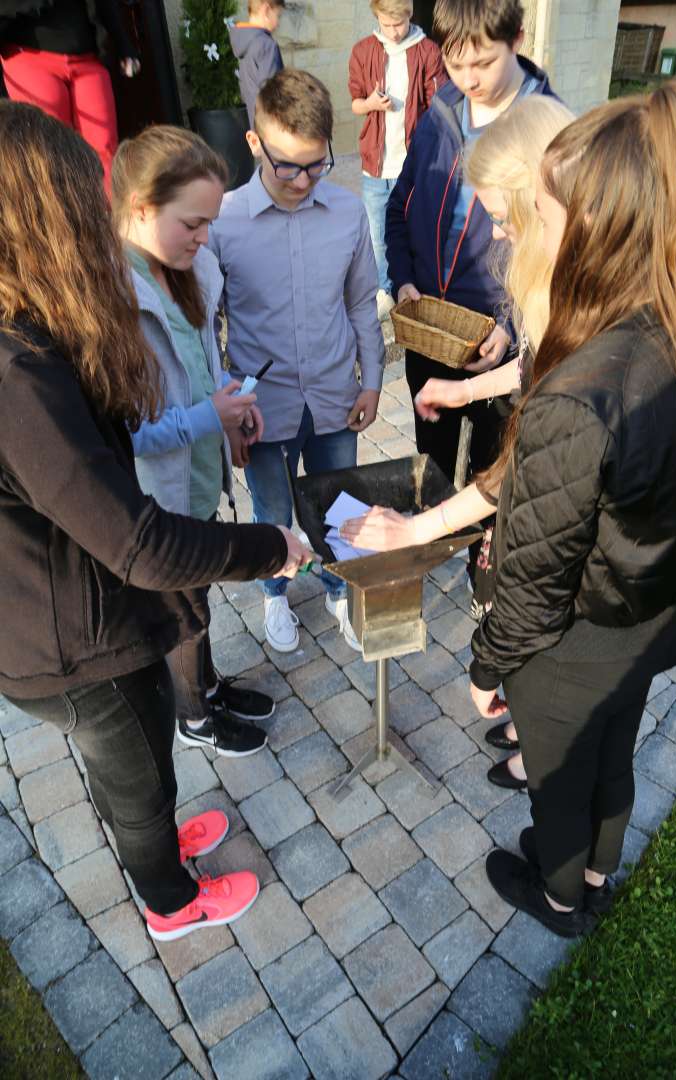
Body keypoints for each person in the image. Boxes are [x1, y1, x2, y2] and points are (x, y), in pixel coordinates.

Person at [0, 100, 312, 941]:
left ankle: (158, 850)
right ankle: (171, 901)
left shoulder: (32, 338)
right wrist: (270, 547)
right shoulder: (15, 378)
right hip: (72, 647)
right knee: (137, 774)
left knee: (142, 771)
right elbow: (138, 541)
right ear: (38, 215)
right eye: (77, 200)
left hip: (80, 606)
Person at [466, 81, 676, 937]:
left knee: (560, 781)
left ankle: (565, 897)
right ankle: (602, 872)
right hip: (652, 616)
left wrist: (485, 665)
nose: (526, 230)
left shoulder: (579, 394)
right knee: (617, 753)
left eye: (538, 210)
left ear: (595, 226)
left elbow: (533, 577)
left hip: (573, 645)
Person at [342, 93, 573, 785]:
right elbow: (528, 375)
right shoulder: (550, 286)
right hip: (541, 495)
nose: (496, 237)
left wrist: (419, 530)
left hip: (566, 532)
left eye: (503, 219)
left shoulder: (576, 304)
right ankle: (530, 713)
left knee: (540, 627)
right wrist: (464, 390)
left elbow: (528, 467)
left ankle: (544, 749)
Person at [113, 124, 278, 759]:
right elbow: (128, 434)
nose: (206, 237)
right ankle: (193, 714)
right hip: (159, 494)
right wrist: (209, 417)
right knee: (181, 609)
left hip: (200, 475)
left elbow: (203, 366)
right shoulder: (112, 301)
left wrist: (231, 409)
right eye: (193, 222)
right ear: (140, 209)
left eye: (210, 222)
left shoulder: (189, 267)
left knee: (198, 598)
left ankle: (206, 684)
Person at [209, 69, 385, 655]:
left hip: (335, 390)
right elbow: (208, 326)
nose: (304, 180)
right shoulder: (223, 222)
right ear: (255, 143)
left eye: (317, 164)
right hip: (264, 406)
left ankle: (337, 586)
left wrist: (374, 379)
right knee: (273, 508)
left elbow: (361, 301)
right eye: (288, 166)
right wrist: (226, 410)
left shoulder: (347, 212)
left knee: (340, 500)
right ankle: (277, 597)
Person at [385, 0, 557, 491]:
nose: (468, 80)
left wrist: (509, 324)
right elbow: (398, 207)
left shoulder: (547, 128)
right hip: (431, 329)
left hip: (499, 343)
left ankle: (480, 562)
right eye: (455, 64)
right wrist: (403, 279)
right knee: (433, 468)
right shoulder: (439, 113)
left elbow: (553, 254)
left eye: (483, 63)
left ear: (517, 40)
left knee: (495, 478)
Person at [348, 0, 446, 321]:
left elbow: (439, 108)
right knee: (377, 234)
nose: (393, 31)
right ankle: (383, 291)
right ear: (376, 17)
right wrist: (372, 103)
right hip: (376, 162)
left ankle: (413, 286)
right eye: (386, 24)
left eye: (399, 24)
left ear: (410, 15)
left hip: (413, 163)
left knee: (414, 227)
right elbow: (355, 105)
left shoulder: (428, 51)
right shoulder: (363, 51)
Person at [0, 0, 140, 196]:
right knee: (49, 153)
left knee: (105, 149)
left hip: (87, 58)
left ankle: (106, 220)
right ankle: (62, 222)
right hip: (28, 55)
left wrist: (124, 44)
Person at [228, 0, 284, 127]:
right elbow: (273, 95)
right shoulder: (266, 45)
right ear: (266, 10)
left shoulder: (244, 42)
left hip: (255, 123)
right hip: (273, 129)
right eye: (278, 15)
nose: (278, 23)